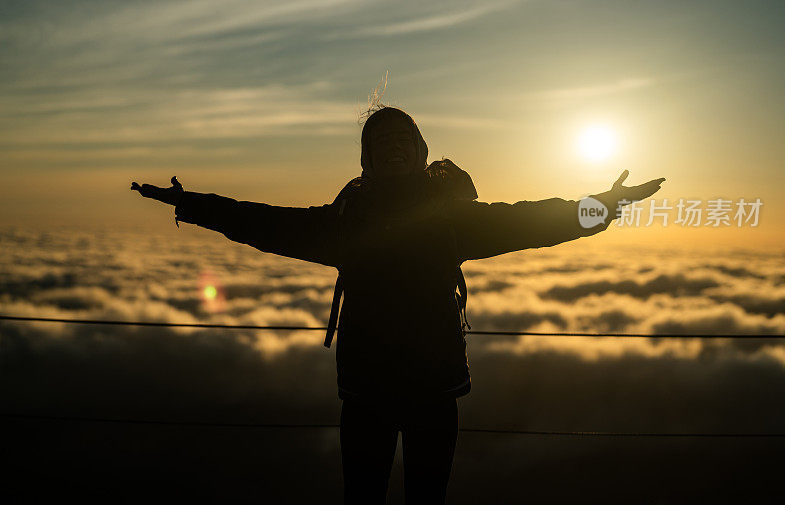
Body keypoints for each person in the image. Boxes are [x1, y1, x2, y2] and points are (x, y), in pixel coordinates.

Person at [131, 106, 665, 504]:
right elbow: (262, 220)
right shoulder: (344, 222)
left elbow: (535, 219)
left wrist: (605, 207)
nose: (393, 147)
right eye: (381, 141)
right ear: (366, 158)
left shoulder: (446, 219)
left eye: (402, 139)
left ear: (420, 152)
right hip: (372, 392)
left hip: (427, 390)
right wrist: (191, 205)